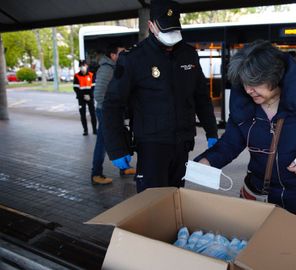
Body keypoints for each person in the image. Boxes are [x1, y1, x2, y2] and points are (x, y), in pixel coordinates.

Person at [195, 40, 296, 270]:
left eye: (255, 83)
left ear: (275, 77)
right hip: (257, 192)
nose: (248, 90)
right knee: (259, 246)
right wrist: (207, 161)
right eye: (245, 83)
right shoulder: (244, 103)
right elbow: (231, 142)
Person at [103, 0, 218, 193]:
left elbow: (201, 97)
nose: (171, 36)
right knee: (152, 201)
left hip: (183, 142)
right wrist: (116, 147)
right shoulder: (133, 59)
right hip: (151, 145)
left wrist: (212, 132)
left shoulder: (188, 55)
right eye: (165, 30)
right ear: (151, 26)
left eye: (174, 29)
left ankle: (175, 225)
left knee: (176, 195)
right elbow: (112, 104)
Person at [90, 43, 137, 185]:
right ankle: (96, 174)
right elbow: (98, 95)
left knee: (121, 137)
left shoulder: (117, 68)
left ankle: (124, 168)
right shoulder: (106, 69)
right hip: (106, 112)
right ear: (113, 55)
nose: (124, 55)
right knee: (103, 142)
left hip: (115, 112)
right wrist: (111, 110)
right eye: (121, 53)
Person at [73, 60, 97, 136]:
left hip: (90, 97)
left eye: (83, 65)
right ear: (79, 67)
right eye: (80, 66)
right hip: (81, 98)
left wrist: (89, 96)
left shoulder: (91, 75)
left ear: (86, 66)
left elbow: (93, 87)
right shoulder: (76, 76)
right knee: (82, 114)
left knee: (93, 114)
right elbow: (76, 88)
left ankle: (94, 130)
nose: (82, 67)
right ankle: (85, 130)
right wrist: (83, 96)